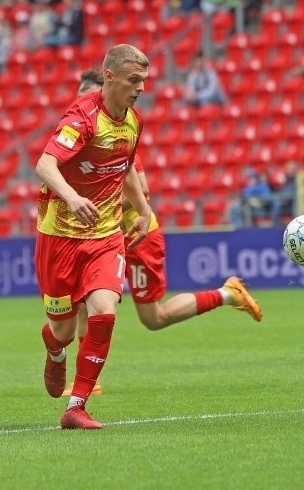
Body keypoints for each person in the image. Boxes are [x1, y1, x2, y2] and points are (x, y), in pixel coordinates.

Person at [56, 69, 262, 396]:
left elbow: (142, 189)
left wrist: (93, 198)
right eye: (79, 93)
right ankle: (87, 383)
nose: (83, 100)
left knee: (154, 318)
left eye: (89, 93)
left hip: (136, 235)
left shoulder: (118, 137)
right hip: (104, 237)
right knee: (84, 303)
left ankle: (228, 294)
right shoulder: (80, 135)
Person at [35, 45, 153, 430]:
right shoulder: (82, 117)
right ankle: (55, 352)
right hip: (60, 237)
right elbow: (45, 163)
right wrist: (71, 197)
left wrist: (145, 209)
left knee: (104, 311)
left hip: (105, 235)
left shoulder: (133, 121)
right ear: (110, 77)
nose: (140, 88)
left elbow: (128, 166)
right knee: (63, 330)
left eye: (143, 81)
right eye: (133, 80)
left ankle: (76, 406)